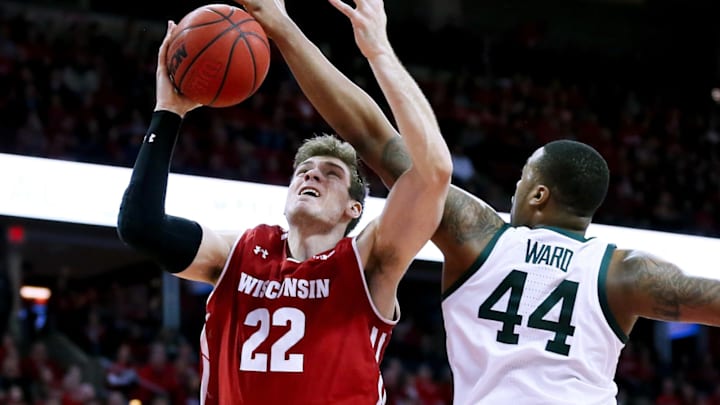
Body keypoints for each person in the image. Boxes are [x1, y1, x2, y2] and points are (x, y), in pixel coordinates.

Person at [234, 0, 720, 403]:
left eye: (521, 180)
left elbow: (370, 135)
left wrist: (282, 27)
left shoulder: (481, 237)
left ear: (538, 193)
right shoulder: (624, 273)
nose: (513, 193)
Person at [115, 0, 452, 403]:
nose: (312, 175)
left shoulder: (367, 264)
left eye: (331, 174)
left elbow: (434, 174)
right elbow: (141, 227)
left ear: (353, 209)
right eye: (304, 171)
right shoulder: (239, 254)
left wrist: (379, 51)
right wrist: (168, 113)